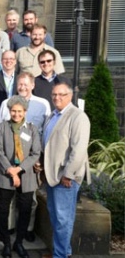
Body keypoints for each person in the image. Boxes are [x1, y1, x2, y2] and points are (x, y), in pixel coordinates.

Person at [42, 83, 90, 258]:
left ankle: (60, 255)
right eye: (54, 94)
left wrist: (68, 174)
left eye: (61, 94)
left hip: (65, 177)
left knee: (63, 219)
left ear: (70, 96)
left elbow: (78, 150)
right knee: (56, 218)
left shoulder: (78, 117)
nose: (57, 98)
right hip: (52, 175)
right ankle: (61, 251)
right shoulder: (53, 115)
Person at [0, 95, 41, 258]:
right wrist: (10, 170)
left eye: (20, 111)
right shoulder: (1, 128)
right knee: (3, 210)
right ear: (9, 111)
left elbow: (35, 153)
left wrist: (19, 169)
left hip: (26, 176)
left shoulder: (32, 129)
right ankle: (6, 243)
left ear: (25, 112)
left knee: (25, 210)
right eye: (13, 111)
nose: (16, 114)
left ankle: (19, 242)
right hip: (5, 175)